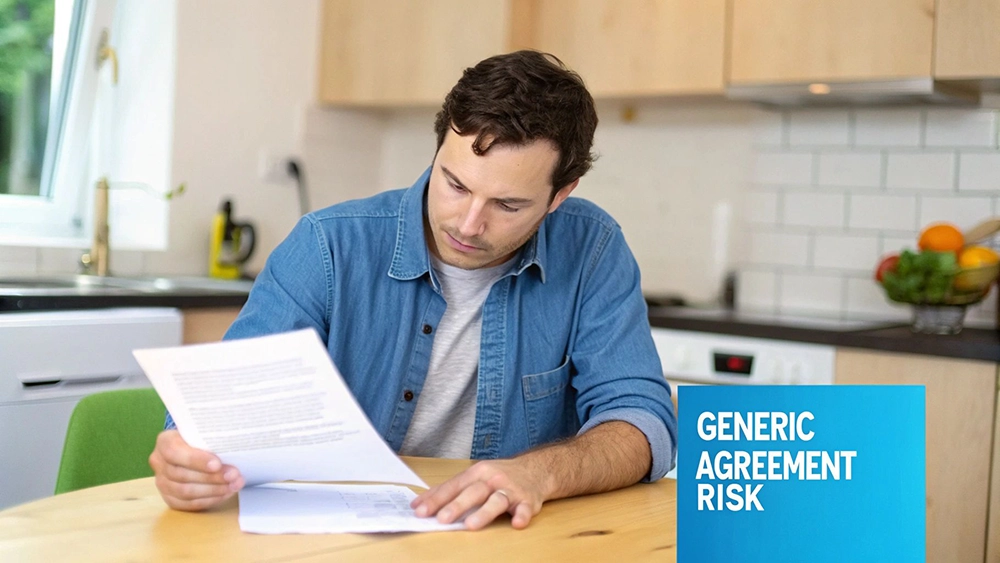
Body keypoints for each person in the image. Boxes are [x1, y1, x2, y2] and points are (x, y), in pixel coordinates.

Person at [149, 50, 677, 530]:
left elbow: (643, 420)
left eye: (508, 205)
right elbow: (219, 413)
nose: (469, 224)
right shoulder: (327, 247)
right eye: (455, 184)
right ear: (437, 148)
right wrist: (187, 458)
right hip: (338, 542)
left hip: (504, 541)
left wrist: (542, 473)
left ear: (560, 196)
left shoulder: (592, 249)